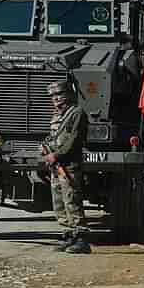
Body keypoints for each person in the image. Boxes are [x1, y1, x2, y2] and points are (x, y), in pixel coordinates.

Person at [41, 80, 90, 254]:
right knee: (59, 202)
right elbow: (56, 137)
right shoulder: (57, 115)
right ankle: (68, 236)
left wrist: (56, 154)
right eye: (52, 96)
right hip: (57, 166)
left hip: (69, 165)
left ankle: (81, 239)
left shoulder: (76, 113)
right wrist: (47, 147)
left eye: (59, 94)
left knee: (72, 200)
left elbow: (74, 140)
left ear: (69, 94)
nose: (55, 99)